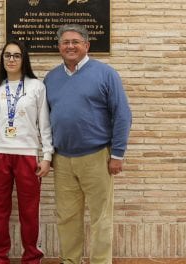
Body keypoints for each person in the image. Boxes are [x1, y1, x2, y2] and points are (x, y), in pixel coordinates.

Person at [43, 24, 132, 264]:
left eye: (75, 42)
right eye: (65, 42)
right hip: (62, 160)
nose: (70, 46)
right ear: (59, 47)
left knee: (101, 217)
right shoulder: (51, 78)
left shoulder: (105, 74)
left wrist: (118, 154)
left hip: (97, 158)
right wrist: (47, 155)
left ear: (86, 45)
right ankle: (70, 260)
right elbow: (45, 120)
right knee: (67, 217)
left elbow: (122, 114)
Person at [0, 39, 54, 264]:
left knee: (29, 211)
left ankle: (32, 257)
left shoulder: (36, 86)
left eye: (16, 55)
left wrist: (47, 156)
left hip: (27, 155)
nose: (11, 59)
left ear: (24, 59)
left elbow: (44, 125)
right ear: (2, 60)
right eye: (7, 55)